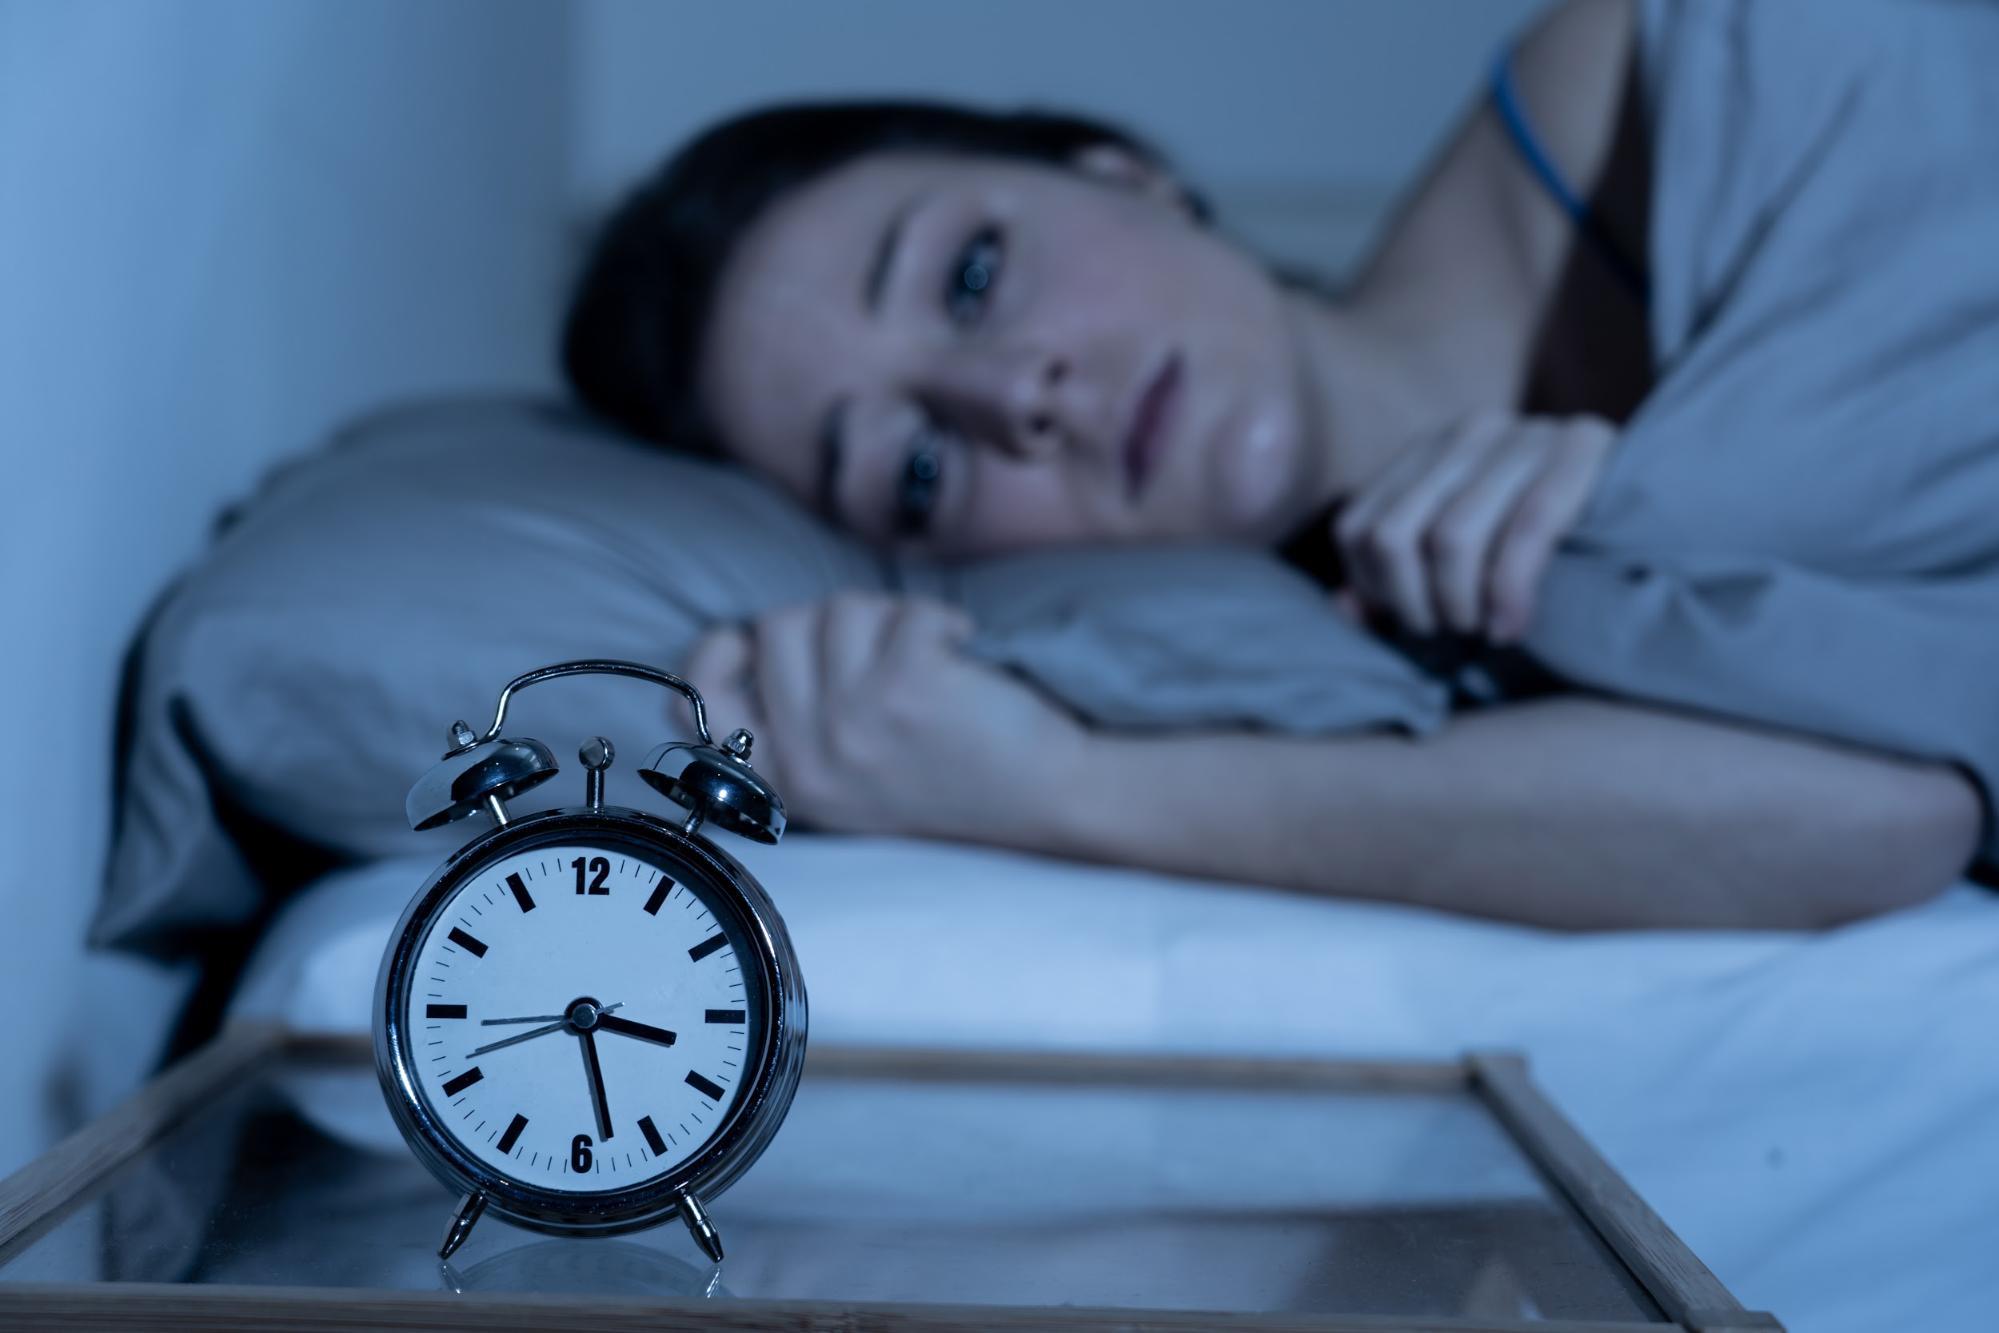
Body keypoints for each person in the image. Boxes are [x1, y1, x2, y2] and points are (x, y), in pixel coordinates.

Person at [559, 0, 1982, 929]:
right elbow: (1885, 818)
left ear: (1121, 172)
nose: (1015, 396)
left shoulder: (1669, 56)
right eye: (918, 470)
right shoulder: (1347, 672)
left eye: (977, 273)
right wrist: (1059, 790)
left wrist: (1664, 490)